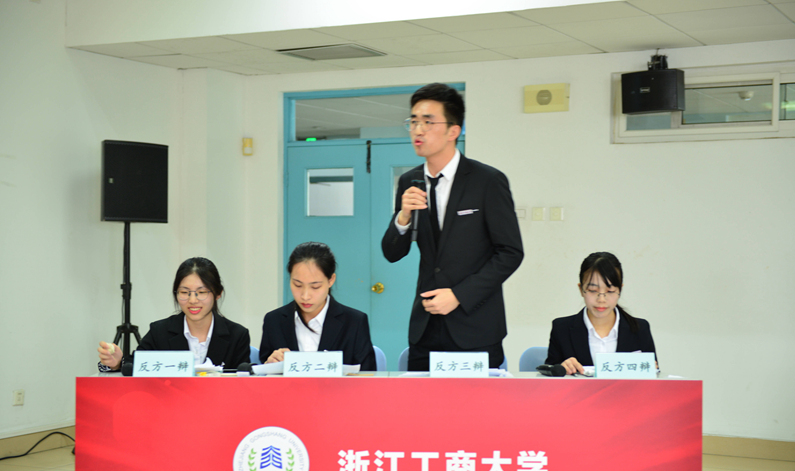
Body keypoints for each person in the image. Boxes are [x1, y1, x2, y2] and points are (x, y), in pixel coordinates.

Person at [382, 83, 524, 371]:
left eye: (428, 122)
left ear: (453, 131)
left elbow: (510, 252)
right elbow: (392, 253)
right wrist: (403, 217)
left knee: (475, 402)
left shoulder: (487, 181)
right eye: (413, 121)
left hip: (475, 326)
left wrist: (459, 296)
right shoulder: (409, 181)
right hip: (425, 328)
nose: (418, 130)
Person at [97, 257, 251, 372]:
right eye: (184, 292)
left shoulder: (237, 335)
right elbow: (135, 365)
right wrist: (117, 363)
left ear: (218, 294)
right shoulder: (160, 331)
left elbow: (244, 381)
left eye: (201, 292)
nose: (192, 300)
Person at [259, 242, 376, 371]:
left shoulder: (354, 322)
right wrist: (270, 365)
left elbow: (367, 375)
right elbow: (262, 373)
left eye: (315, 287)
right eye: (298, 285)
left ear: (331, 280)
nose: (305, 296)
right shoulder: (274, 321)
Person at [545, 252, 657, 375]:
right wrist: (560, 368)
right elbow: (548, 374)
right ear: (581, 289)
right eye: (593, 290)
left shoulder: (640, 329)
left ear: (620, 290)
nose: (601, 299)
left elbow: (653, 376)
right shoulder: (561, 329)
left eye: (610, 291)